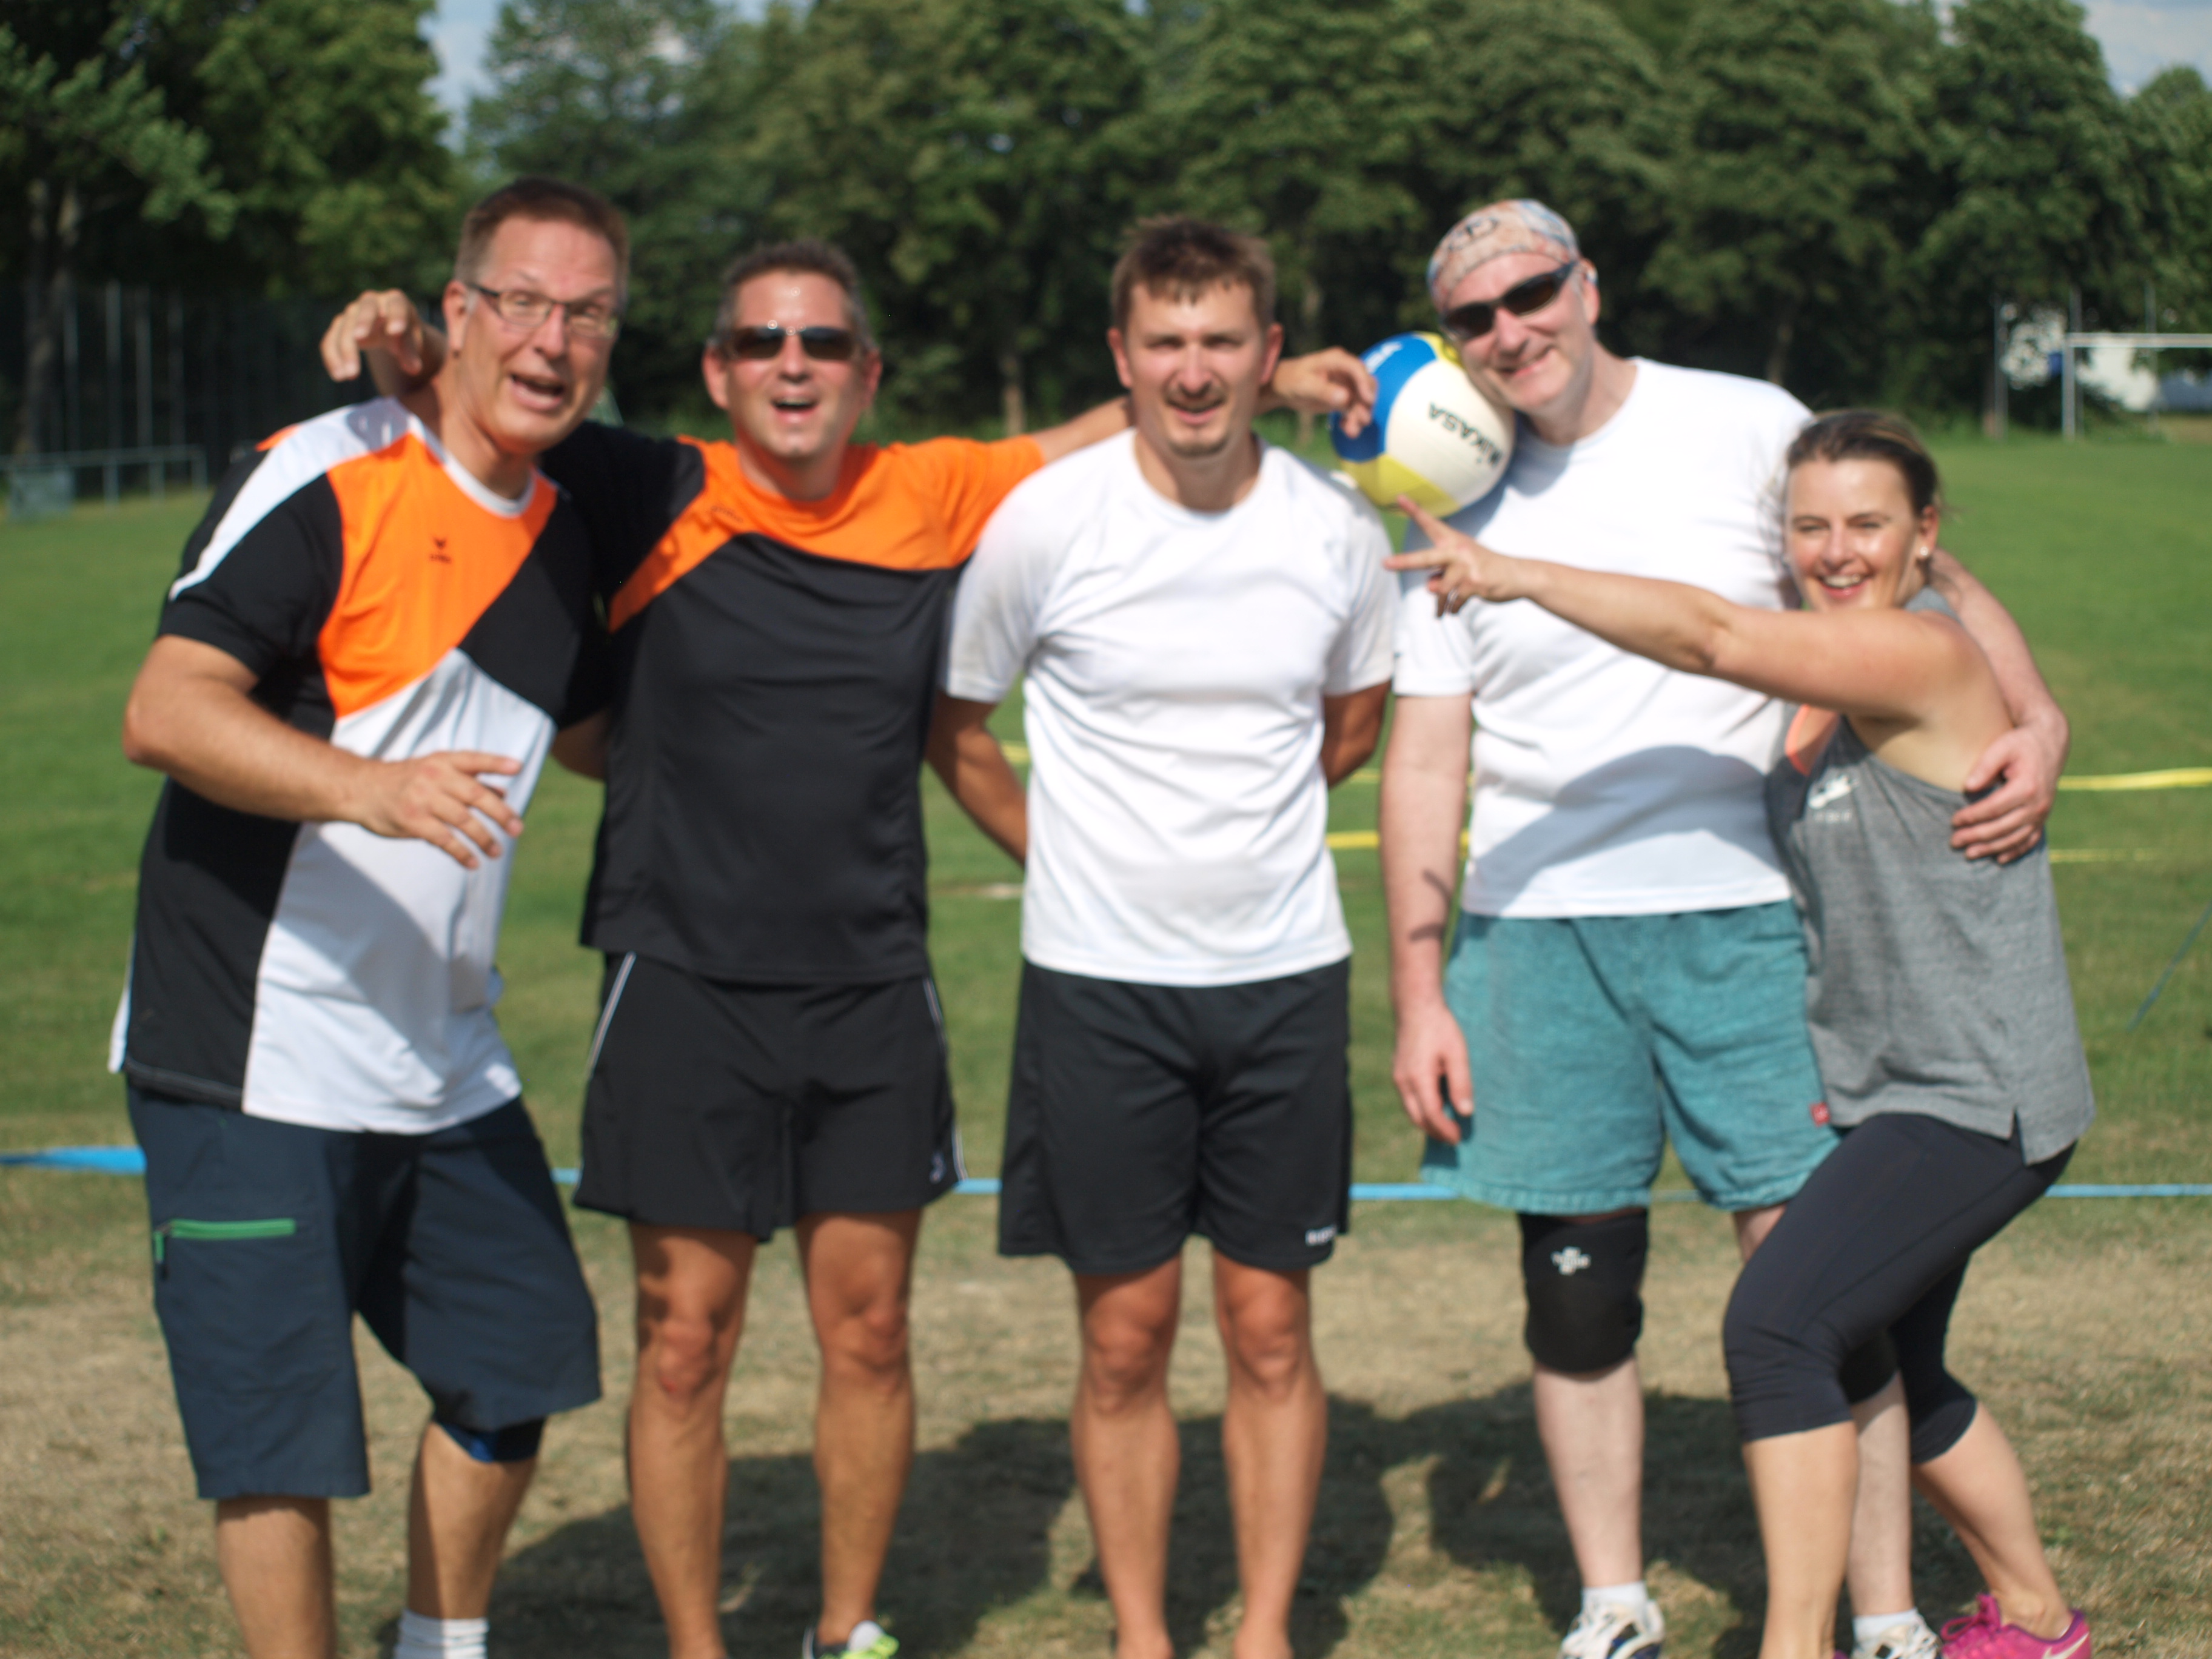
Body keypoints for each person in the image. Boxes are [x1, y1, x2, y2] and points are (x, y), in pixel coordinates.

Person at [320, 241, 1374, 1659]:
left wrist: (1276, 384)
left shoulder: (931, 493)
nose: (792, 364)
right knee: (683, 1342)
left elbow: (1109, 425)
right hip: (680, 979)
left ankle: (846, 1631)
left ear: (867, 373)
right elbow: (499, 411)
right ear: (717, 370)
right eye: (761, 341)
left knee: (870, 1332)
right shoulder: (648, 485)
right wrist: (410, 345)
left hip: (873, 981)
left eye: (822, 342)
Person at [1378, 201, 2070, 1659]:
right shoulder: (1446, 485)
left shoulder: (1746, 422)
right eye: (1476, 317)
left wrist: (2039, 715)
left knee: (1819, 1288)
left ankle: (1884, 1616)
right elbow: (1426, 757)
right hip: (1537, 933)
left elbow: (1907, 561)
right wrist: (1420, 988)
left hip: (1750, 913)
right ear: (1454, 342)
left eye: (1533, 292)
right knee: (1576, 1298)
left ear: (1587, 282)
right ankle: (1614, 1605)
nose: (1512, 330)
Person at [114, 176, 624, 1659]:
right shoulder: (328, 469)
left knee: (519, 1365)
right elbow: (165, 710)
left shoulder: (566, 530)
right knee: (278, 1436)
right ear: (456, 311)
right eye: (519, 302)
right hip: (251, 1049)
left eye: (587, 313)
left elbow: (595, 737)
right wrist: (368, 789)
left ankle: (438, 1647)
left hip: (442, 1058)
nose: (550, 341)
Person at [929, 218, 1395, 1659]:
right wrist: (1071, 859)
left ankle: (1262, 1636)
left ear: (1269, 355)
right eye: (1167, 342)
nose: (1196, 371)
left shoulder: (1333, 527)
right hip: (1099, 992)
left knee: (1271, 1331)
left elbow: (1354, 723)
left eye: (1223, 341)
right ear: (1122, 356)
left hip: (1282, 982)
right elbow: (960, 729)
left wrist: (1237, 840)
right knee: (1124, 1339)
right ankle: (1143, 1636)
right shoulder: (1045, 522)